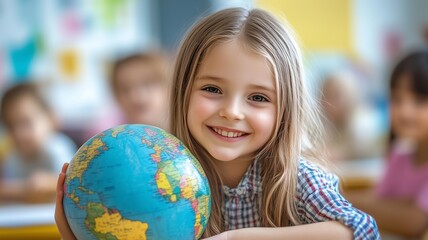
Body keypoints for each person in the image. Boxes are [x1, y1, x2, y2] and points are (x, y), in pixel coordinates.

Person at [55, 8, 379, 239]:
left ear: (286, 109)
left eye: (259, 98)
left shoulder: (296, 179)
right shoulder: (160, 177)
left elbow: (362, 230)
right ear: (182, 90)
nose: (232, 111)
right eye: (212, 89)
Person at [344, 51, 428, 239]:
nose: (405, 111)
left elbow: (414, 222)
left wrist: (341, 198)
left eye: (419, 100)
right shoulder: (399, 156)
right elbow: (379, 200)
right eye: (397, 99)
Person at [0, 83, 76, 202]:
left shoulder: (56, 147)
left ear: (51, 119)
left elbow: (73, 183)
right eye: (10, 126)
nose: (18, 133)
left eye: (26, 122)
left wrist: (48, 183)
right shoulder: (12, 157)